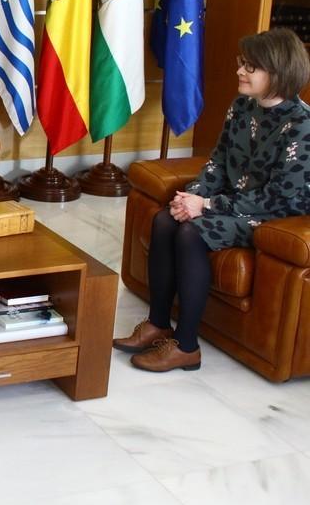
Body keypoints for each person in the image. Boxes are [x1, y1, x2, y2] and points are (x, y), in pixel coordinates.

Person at [114, 28, 310, 372]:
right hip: (233, 203)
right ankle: (158, 323)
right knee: (165, 219)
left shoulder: (302, 125)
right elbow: (218, 161)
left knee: (191, 233)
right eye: (242, 63)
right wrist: (194, 194)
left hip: (272, 216)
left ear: (278, 73)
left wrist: (206, 206)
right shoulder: (242, 106)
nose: (240, 71)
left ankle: (186, 346)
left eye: (251, 67)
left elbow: (280, 197)